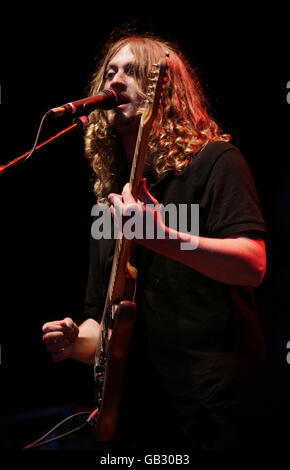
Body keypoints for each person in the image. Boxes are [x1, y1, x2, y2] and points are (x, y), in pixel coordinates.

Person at [42, 32, 267, 450]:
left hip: (213, 408)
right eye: (110, 71)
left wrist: (161, 238)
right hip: (140, 413)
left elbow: (252, 264)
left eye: (132, 71)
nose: (116, 80)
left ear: (163, 90)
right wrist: (76, 342)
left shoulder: (215, 161)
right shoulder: (109, 195)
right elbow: (105, 323)